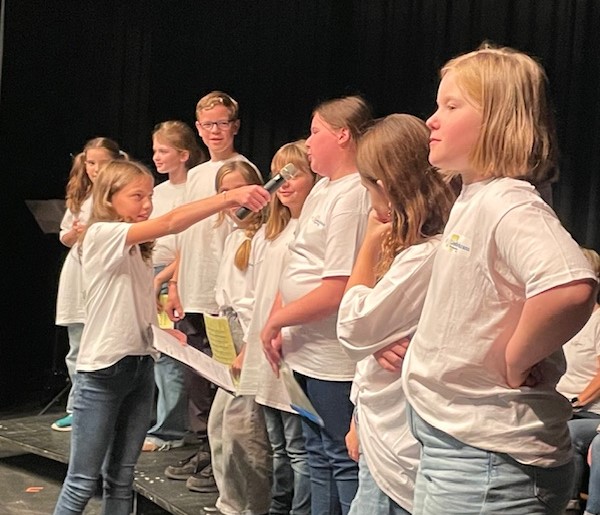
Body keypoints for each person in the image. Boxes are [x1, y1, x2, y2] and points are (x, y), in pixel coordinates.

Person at [401, 43, 598, 515]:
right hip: (457, 444)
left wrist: (515, 359)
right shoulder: (476, 196)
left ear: (498, 121)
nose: (432, 120)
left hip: (488, 460)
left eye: (451, 107)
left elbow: (571, 287)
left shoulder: (507, 201)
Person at [52, 159, 269, 515]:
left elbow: (128, 308)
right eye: (137, 196)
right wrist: (229, 197)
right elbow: (170, 222)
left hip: (138, 367)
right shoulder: (101, 234)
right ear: (109, 198)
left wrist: (161, 334)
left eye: (150, 195)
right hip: (103, 372)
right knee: (81, 481)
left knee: (122, 478)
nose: (147, 204)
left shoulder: (138, 248)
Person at [337, 114, 456, 514]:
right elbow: (368, 336)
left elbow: (352, 327)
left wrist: (369, 242)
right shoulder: (415, 248)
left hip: (399, 444)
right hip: (379, 428)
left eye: (367, 187)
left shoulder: (426, 254)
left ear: (384, 187)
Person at [261, 95, 372, 515]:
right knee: (316, 453)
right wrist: (279, 320)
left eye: (315, 132)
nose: (307, 143)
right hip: (303, 351)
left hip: (332, 359)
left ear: (342, 135)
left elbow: (337, 288)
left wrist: (276, 322)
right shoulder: (323, 188)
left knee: (340, 457)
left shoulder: (353, 194)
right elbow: (297, 264)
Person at [163, 91, 257, 487]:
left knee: (220, 376)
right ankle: (203, 446)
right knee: (196, 376)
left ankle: (217, 455)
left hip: (222, 294)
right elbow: (185, 232)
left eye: (222, 123)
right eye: (207, 124)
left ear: (234, 126)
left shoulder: (242, 169)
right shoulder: (198, 174)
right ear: (198, 129)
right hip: (193, 287)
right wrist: (174, 283)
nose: (215, 131)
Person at [240, 140, 317, 514]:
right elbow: (257, 297)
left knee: (299, 447)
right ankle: (279, 505)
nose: (283, 184)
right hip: (266, 348)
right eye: (277, 175)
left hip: (294, 346)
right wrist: (249, 345)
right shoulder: (268, 234)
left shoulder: (311, 229)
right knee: (277, 444)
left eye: (293, 174)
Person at [205, 160, 272, 514]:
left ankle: (253, 506)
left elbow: (260, 301)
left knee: (244, 431)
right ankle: (230, 503)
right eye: (225, 193)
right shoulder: (233, 237)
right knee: (219, 426)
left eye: (239, 190)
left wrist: (248, 348)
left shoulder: (265, 237)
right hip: (229, 335)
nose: (233, 200)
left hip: (250, 338)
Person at [53, 137, 125, 432]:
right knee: (77, 345)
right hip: (78, 273)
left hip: (104, 274)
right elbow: (64, 235)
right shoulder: (81, 195)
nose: (95, 169)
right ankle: (76, 407)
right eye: (91, 163)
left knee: (104, 346)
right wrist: (74, 233)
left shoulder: (120, 194)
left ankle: (105, 409)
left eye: (102, 163)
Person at [142, 120, 206, 452]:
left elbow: (188, 243)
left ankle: (170, 430)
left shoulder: (193, 188)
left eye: (163, 151)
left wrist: (166, 278)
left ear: (183, 154)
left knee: (171, 354)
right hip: (149, 271)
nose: (156, 157)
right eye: (155, 150)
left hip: (170, 274)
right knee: (153, 352)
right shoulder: (159, 191)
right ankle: (153, 420)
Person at [556, 248, 600, 514]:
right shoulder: (564, 319)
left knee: (569, 433)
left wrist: (576, 402)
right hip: (560, 402)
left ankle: (570, 505)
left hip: (589, 411)